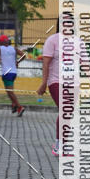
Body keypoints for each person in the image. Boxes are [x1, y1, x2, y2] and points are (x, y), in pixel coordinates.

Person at [37, 23, 62, 154]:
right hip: (55, 81)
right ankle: (59, 145)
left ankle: (62, 143)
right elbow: (46, 63)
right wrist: (43, 83)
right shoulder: (52, 40)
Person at [0, 34, 25, 116]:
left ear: (0, 41)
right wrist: (17, 62)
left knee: (10, 92)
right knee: (9, 92)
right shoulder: (13, 48)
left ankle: (19, 107)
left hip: (6, 72)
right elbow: (23, 55)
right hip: (13, 73)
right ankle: (14, 105)